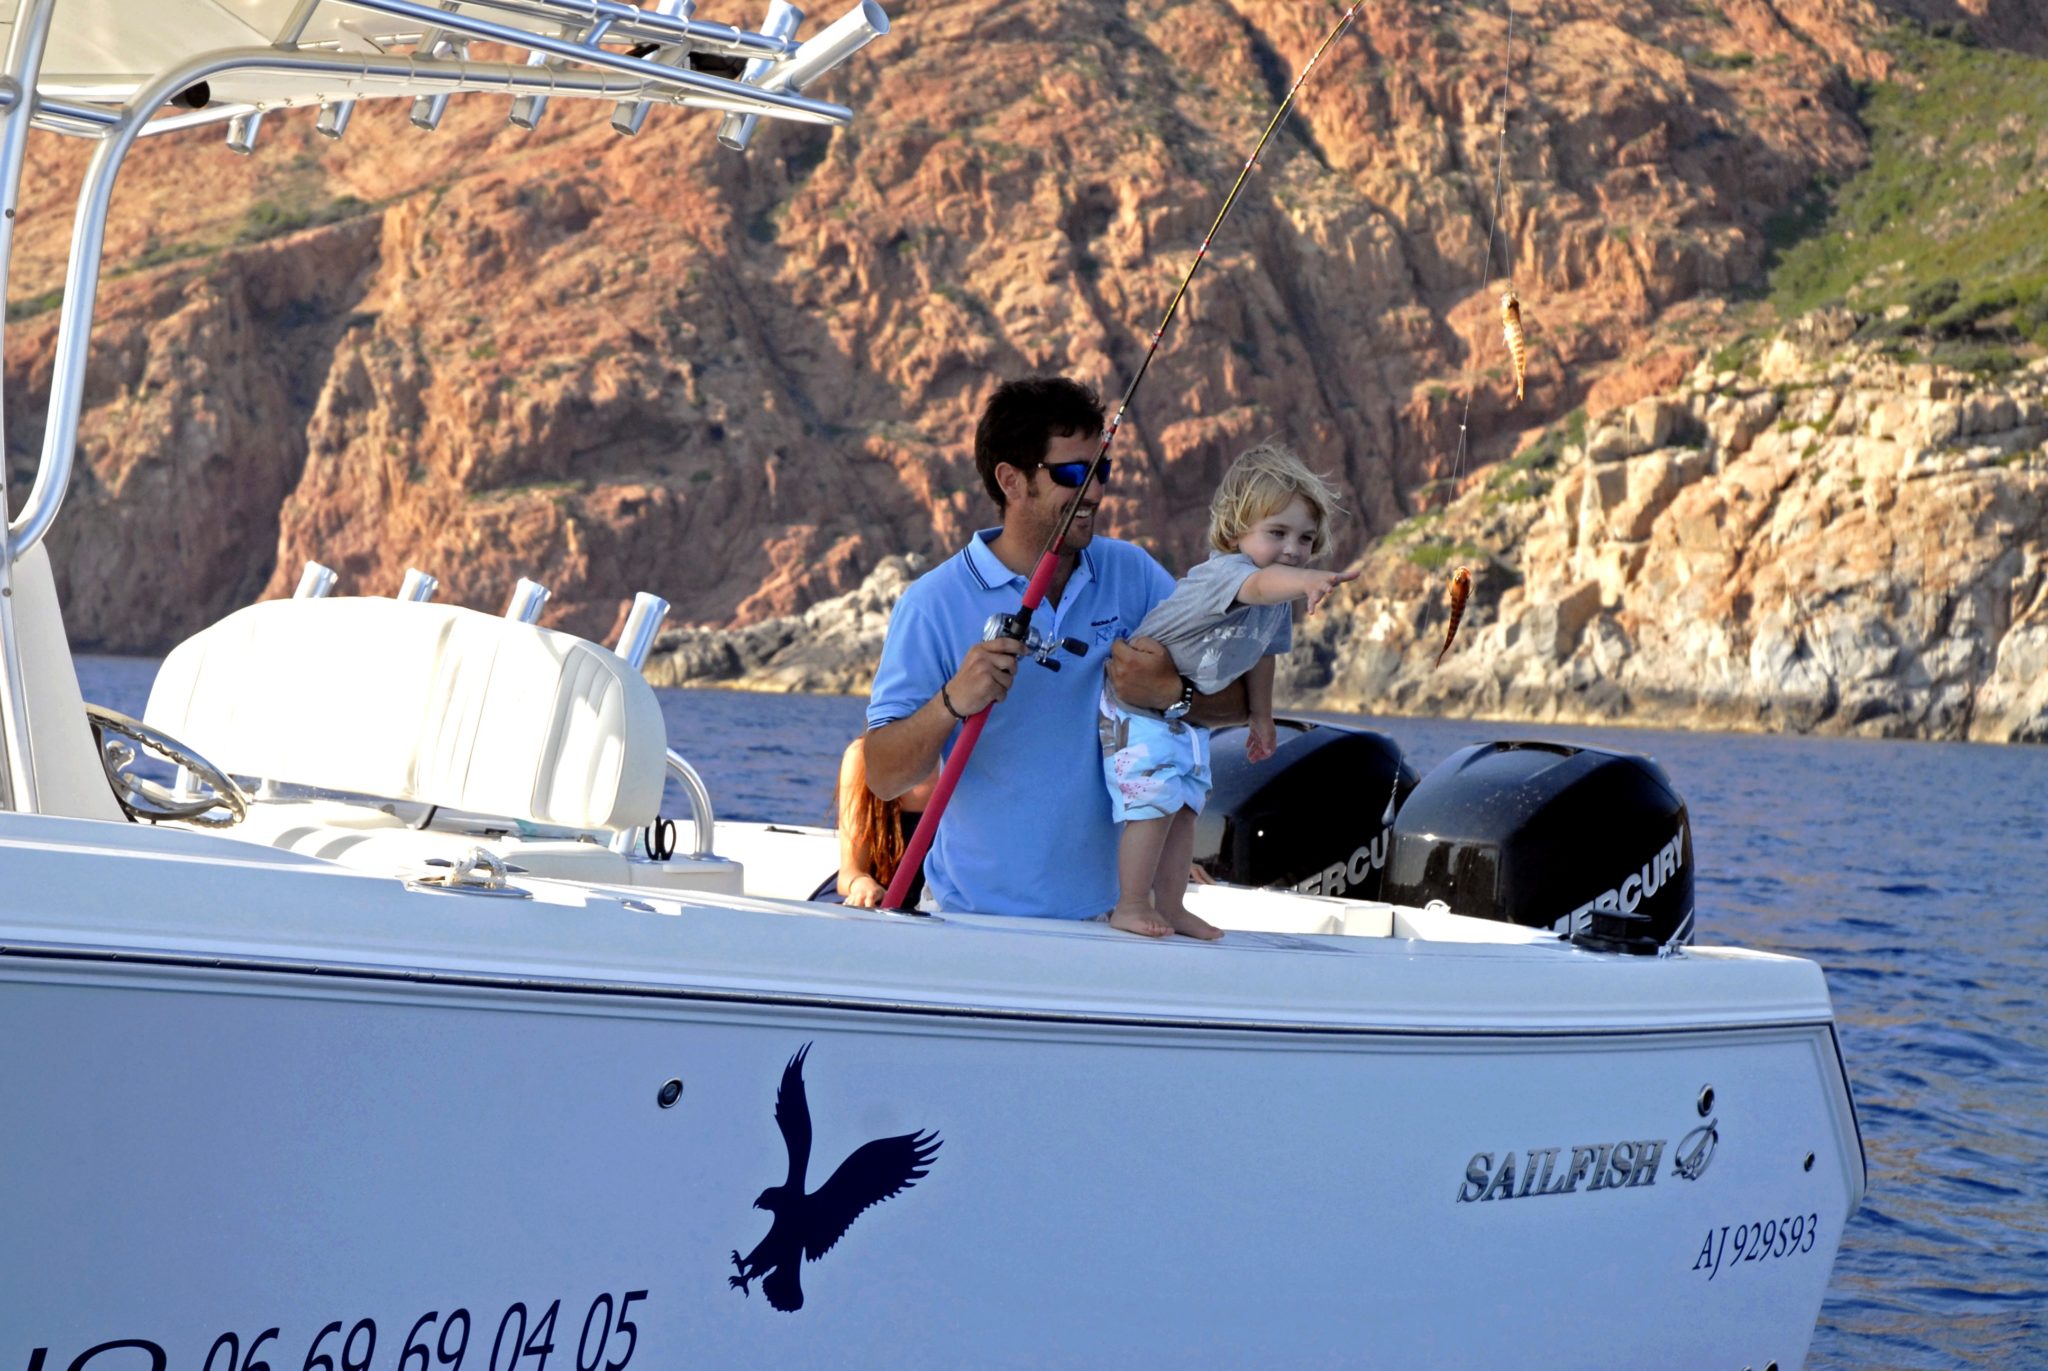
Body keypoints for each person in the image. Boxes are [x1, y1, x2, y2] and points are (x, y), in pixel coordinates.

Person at [864, 376, 1245, 920]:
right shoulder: (932, 603)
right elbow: (883, 774)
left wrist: (1173, 693)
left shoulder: (1133, 574)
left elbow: (1238, 704)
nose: (1093, 492)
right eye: (1072, 474)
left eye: (1101, 471)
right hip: (979, 923)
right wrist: (953, 701)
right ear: (1011, 481)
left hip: (1120, 921)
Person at [1100, 445, 1354, 938]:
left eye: (1305, 538)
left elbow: (1263, 656)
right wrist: (1304, 579)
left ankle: (1171, 905)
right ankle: (1131, 903)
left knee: (1185, 810)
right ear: (1237, 532)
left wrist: (1261, 717)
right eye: (1276, 533)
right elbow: (1261, 585)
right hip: (1135, 706)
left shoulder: (1277, 600)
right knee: (1152, 804)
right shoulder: (1230, 574)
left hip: (1182, 715)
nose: (1292, 548)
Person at [828, 738, 935, 908]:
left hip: (944, 905)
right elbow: (850, 872)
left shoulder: (975, 760)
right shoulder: (863, 755)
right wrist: (862, 885)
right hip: (873, 899)